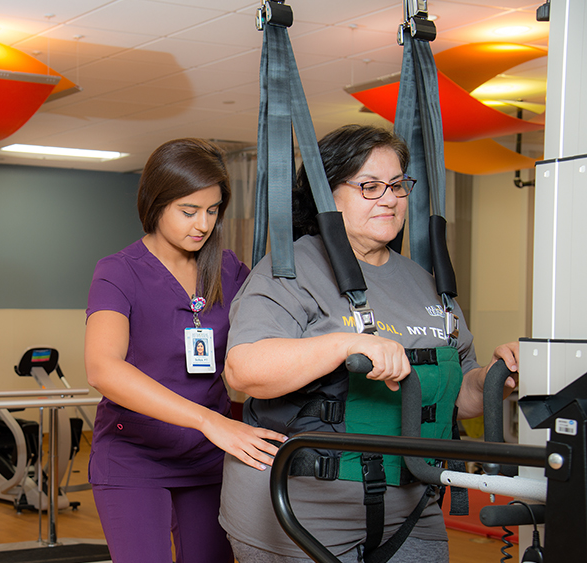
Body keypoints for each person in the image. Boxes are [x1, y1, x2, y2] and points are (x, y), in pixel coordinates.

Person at [221, 124, 519, 562]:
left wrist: (496, 378)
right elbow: (244, 371)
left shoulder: (426, 283)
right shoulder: (289, 270)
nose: (390, 198)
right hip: (301, 515)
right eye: (370, 186)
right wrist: (346, 344)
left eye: (398, 185)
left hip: (412, 507)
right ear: (327, 195)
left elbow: (459, 400)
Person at [84, 138, 286, 563]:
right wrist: (210, 421)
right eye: (188, 211)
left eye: (212, 211)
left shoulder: (230, 271)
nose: (203, 224)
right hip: (133, 459)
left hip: (208, 460)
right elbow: (103, 368)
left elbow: (271, 342)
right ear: (155, 203)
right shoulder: (118, 271)